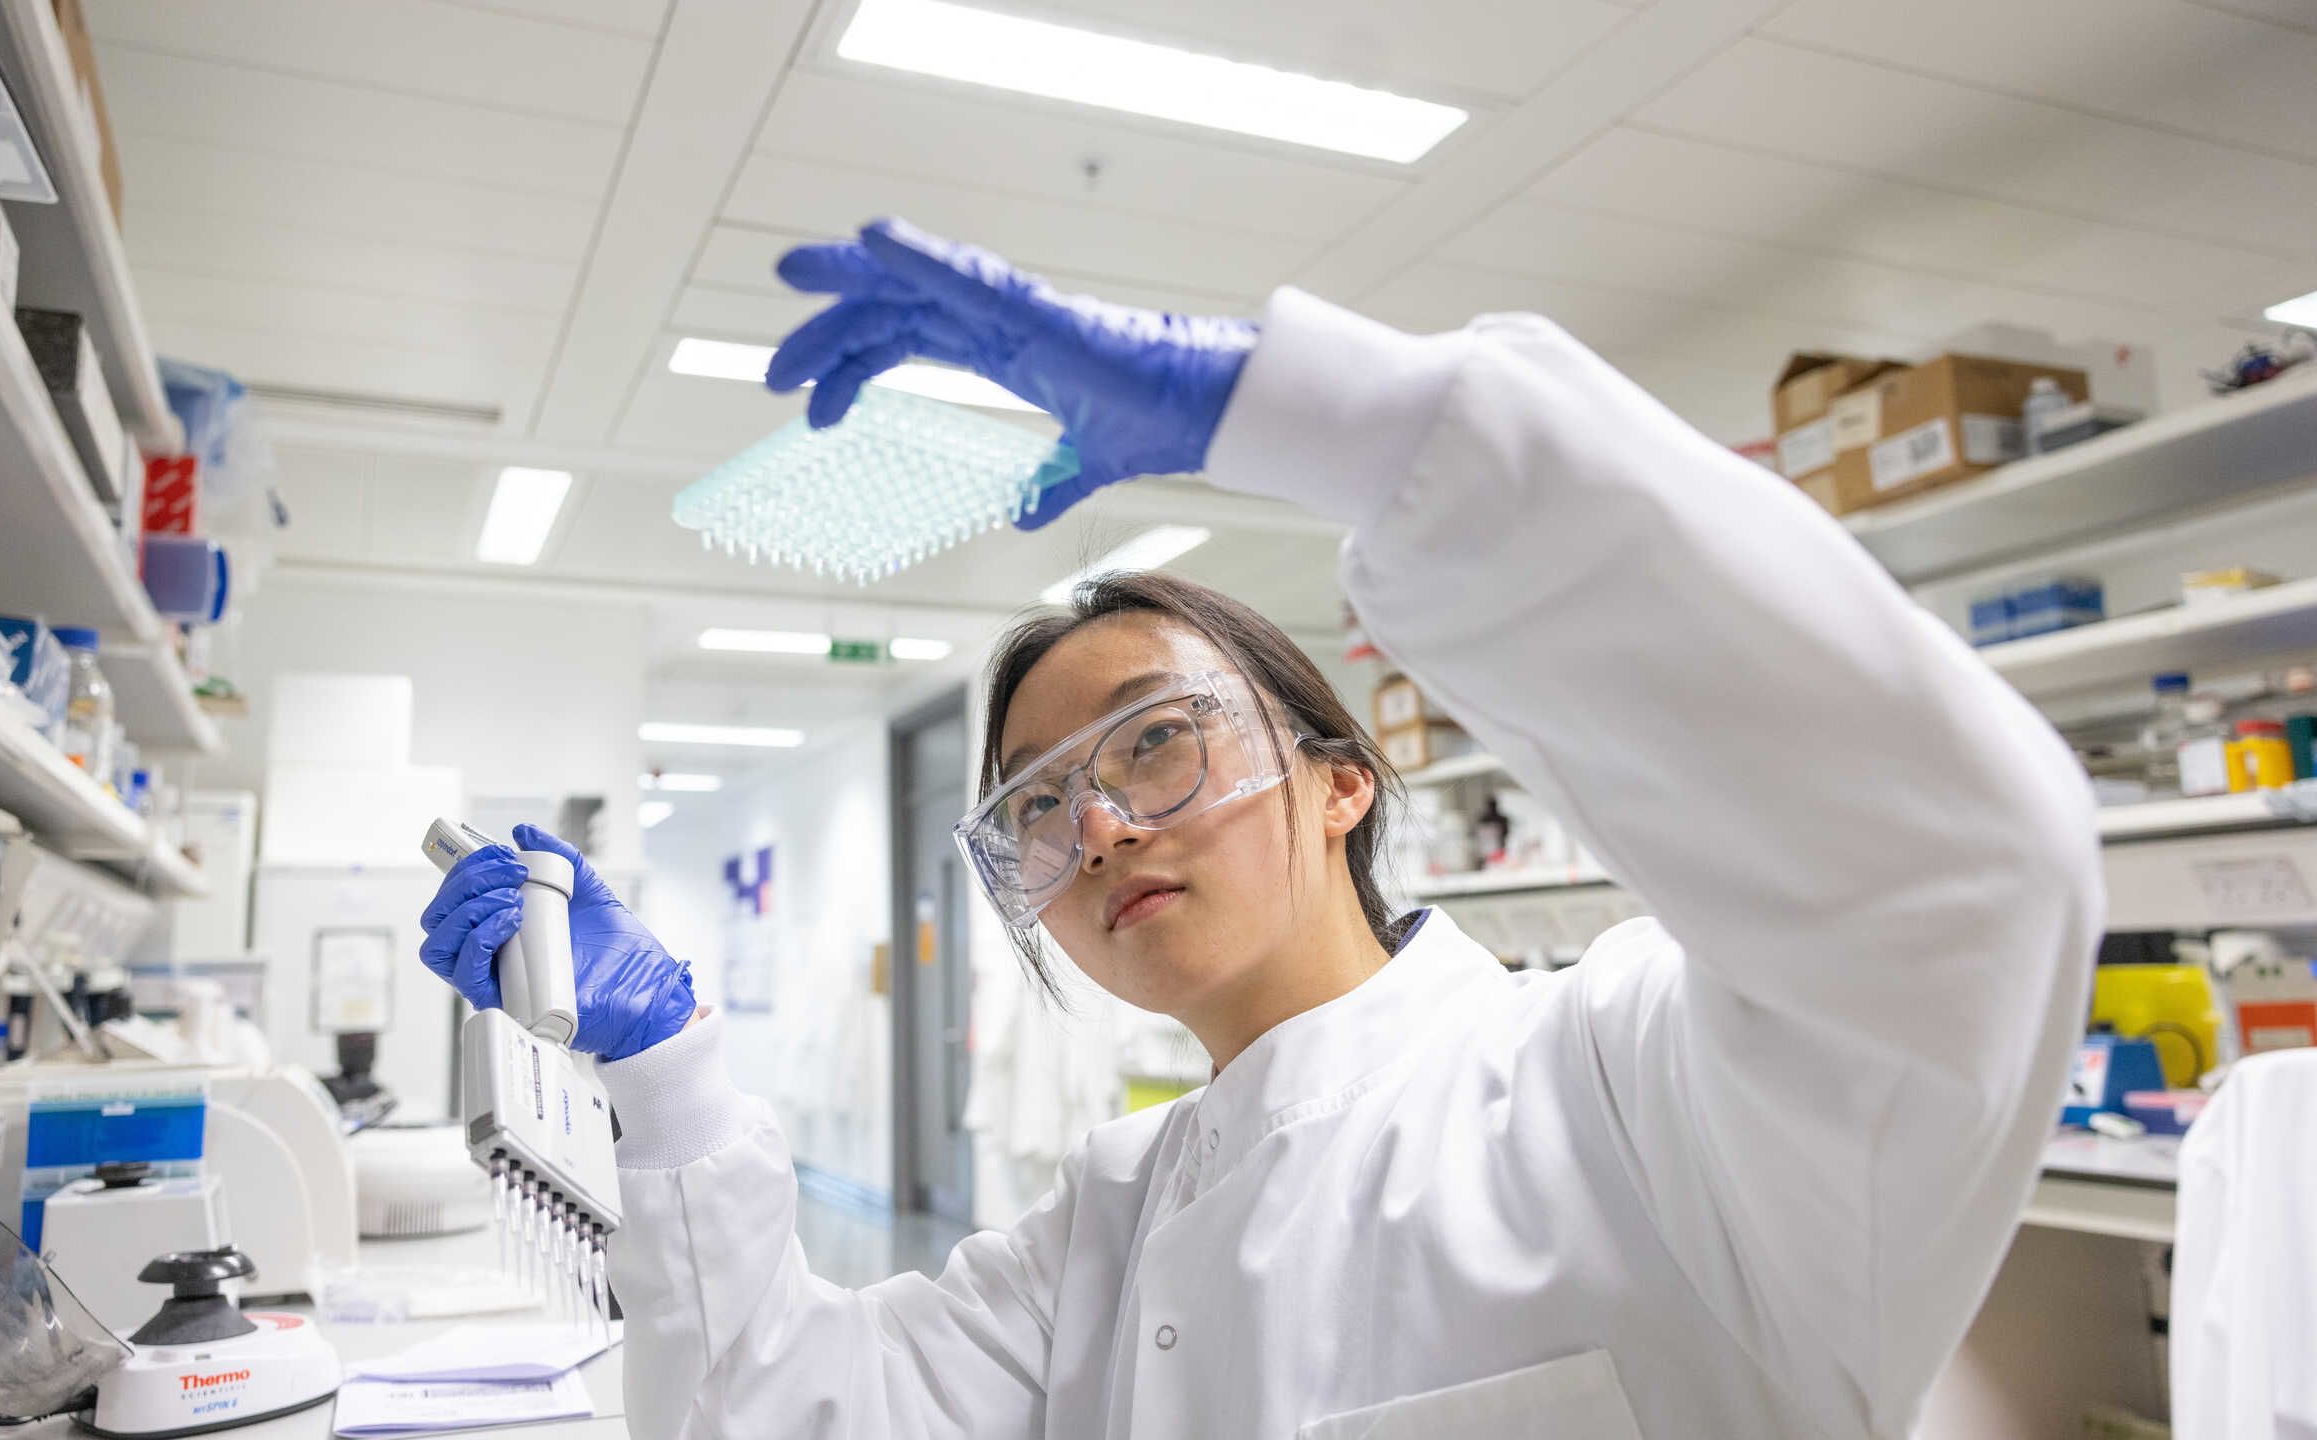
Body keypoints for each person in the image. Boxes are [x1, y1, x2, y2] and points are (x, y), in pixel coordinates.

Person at [418, 219, 2103, 1438]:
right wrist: (671, 1075)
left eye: (1158, 742)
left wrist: (1339, 428)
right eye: (1034, 809)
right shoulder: (1112, 1217)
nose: (1098, 825)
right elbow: (778, 1415)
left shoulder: (1626, 1087)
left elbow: (1956, 876)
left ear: (1341, 777)